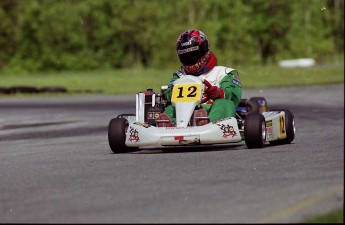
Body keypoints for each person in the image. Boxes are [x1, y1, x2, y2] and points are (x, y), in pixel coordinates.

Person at [157, 29, 242, 127]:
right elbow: (168, 95)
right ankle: (169, 125)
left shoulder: (224, 73)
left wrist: (219, 93)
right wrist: (171, 92)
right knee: (170, 108)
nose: (190, 59)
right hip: (183, 112)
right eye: (186, 56)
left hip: (211, 110)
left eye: (193, 55)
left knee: (224, 104)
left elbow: (234, 95)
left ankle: (208, 123)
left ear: (204, 50)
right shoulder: (179, 76)